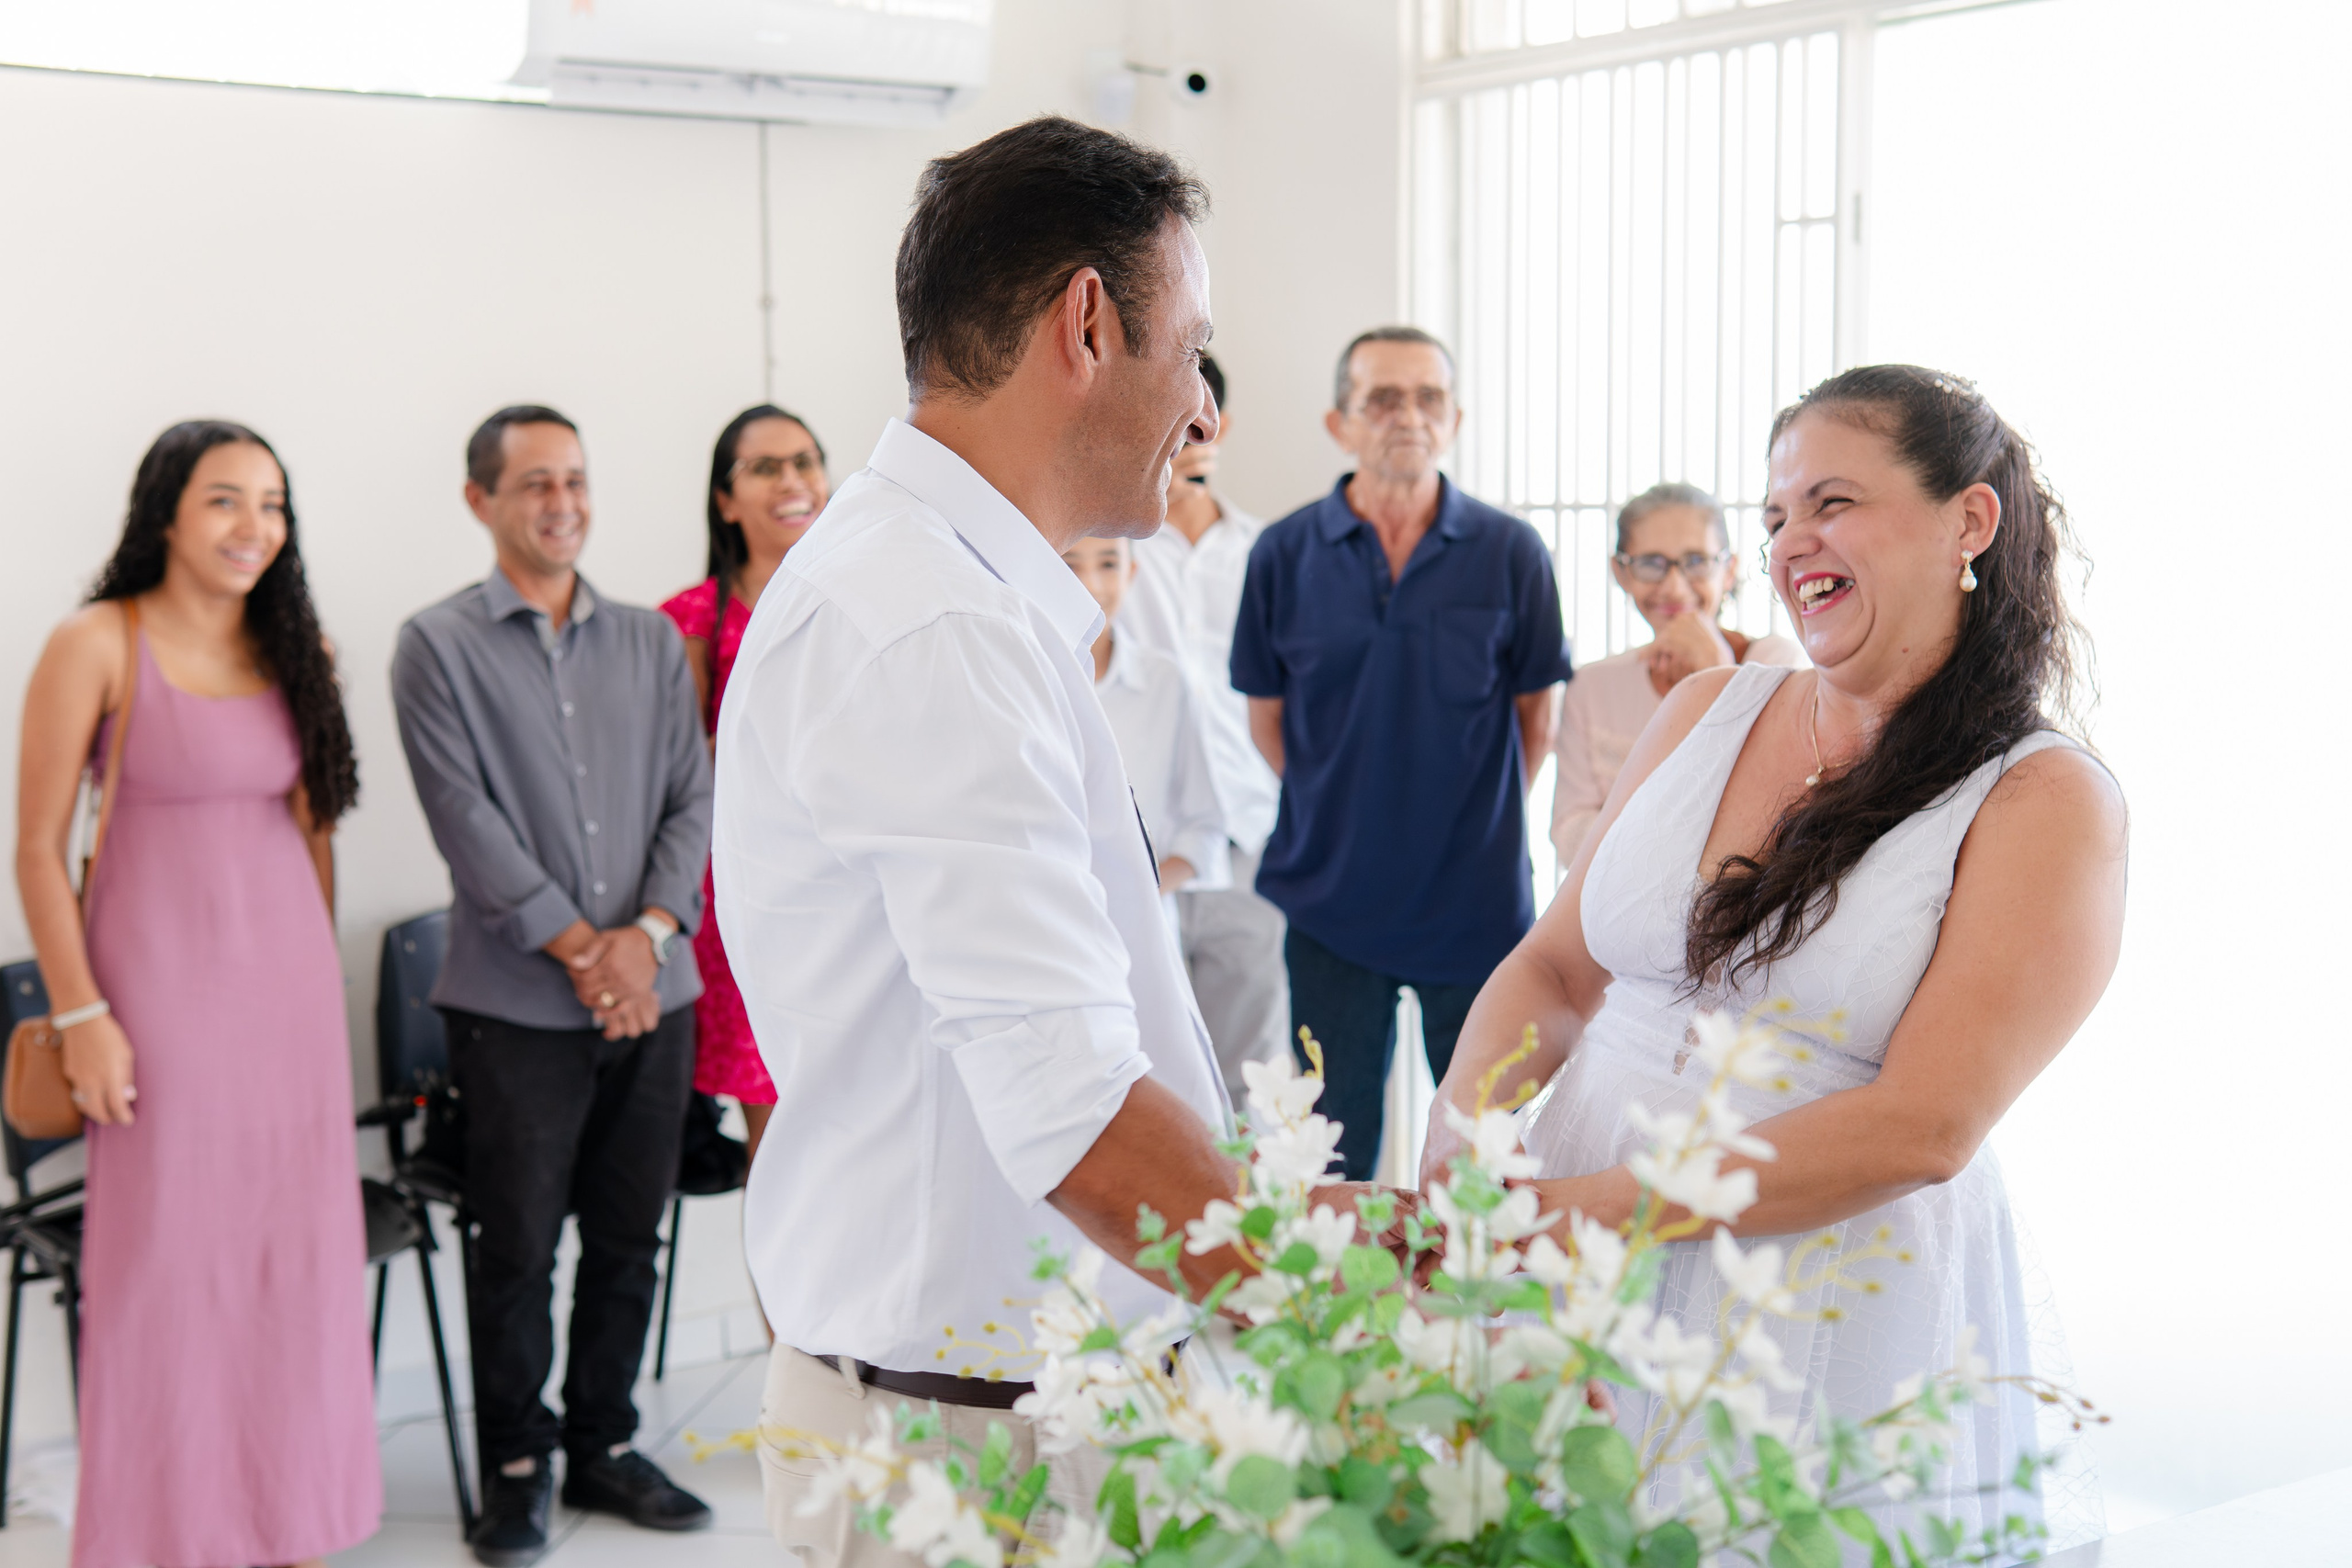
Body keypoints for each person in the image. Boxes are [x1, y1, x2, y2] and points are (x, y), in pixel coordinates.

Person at [712, 117, 1408, 1568]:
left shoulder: (947, 589)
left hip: (1023, 1402)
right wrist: (1371, 1348)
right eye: (1195, 351)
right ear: (1088, 324)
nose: (1205, 412)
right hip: (973, 1451)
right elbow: (1076, 1110)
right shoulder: (933, 623)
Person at [1423, 366, 2128, 1540]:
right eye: (1775, 514)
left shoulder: (2044, 800)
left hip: (1814, 1284)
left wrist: (1585, 1211)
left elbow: (1924, 1126)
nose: (1791, 540)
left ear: (1968, 520)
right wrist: (1460, 1146)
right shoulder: (1703, 711)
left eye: (1832, 502)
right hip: (1575, 1231)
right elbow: (1554, 970)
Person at [14, 421, 379, 1568]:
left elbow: (312, 838)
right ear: (165, 511)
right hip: (154, 1015)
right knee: (167, 1280)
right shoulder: (96, 641)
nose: (253, 526)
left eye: (272, 504)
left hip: (290, 1014)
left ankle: (292, 1525)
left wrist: (317, 997)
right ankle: (165, 1539)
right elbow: (35, 851)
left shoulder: (298, 647)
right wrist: (84, 1020)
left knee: (293, 1274)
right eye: (226, 499)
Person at [391, 405, 717, 1566]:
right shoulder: (435, 647)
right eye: (535, 483)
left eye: (575, 479)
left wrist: (648, 938)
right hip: (515, 1012)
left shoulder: (648, 642)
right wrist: (593, 952)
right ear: (480, 500)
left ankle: (603, 1443)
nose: (562, 503)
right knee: (517, 1249)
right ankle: (518, 1468)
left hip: (657, 997)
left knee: (631, 1236)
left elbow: (693, 796)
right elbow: (466, 825)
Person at [1230, 325, 1571, 1181]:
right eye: (1383, 398)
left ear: (1455, 419)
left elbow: (1537, 720)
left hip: (1477, 905)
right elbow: (1267, 720)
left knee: (1483, 1153)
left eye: (1428, 398)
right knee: (1331, 1150)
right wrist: (1343, 800)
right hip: (1331, 902)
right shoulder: (1281, 554)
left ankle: (1469, 1279)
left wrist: (1462, 816)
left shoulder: (1511, 553)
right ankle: (1349, 1281)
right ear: (1339, 422)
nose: (1408, 416)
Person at [661, 404, 831, 1174]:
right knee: (783, 1148)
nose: (792, 480)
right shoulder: (689, 620)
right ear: (725, 500)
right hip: (747, 898)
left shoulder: (859, 601)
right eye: (765, 468)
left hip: (853, 886)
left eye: (805, 461)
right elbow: (677, 772)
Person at [1117, 354, 1288, 1096]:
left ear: (1220, 425)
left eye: (1195, 423)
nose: (1182, 440)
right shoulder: (1112, 548)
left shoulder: (1267, 551)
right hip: (1148, 840)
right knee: (1146, 1067)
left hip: (1249, 834)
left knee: (1253, 1071)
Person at [1551, 482, 1803, 864]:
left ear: (1728, 570)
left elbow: (1780, 815)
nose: (1673, 586)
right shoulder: (1592, 687)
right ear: (1621, 572)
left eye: (1696, 562)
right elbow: (1570, 836)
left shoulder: (1775, 664)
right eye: (1651, 564)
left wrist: (1718, 672)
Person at [1062, 534, 1229, 927]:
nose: (1091, 585)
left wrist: (1133, 898)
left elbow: (1203, 827)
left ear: (1131, 572)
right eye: (1070, 565)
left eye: (1108, 564)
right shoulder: (1015, 676)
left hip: (1141, 925)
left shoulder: (1164, 681)